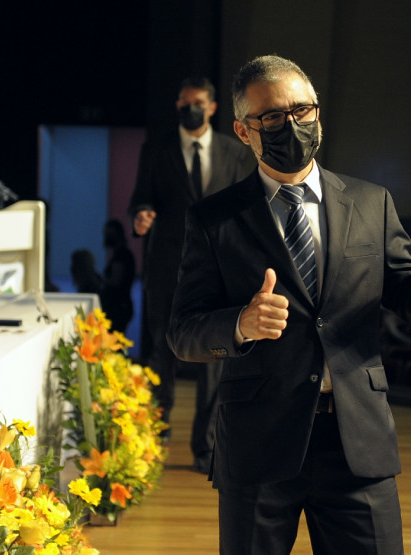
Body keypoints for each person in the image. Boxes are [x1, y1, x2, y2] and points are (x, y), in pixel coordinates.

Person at [166, 55, 411, 554]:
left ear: (318, 113)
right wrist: (241, 325)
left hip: (356, 438)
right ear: (242, 131)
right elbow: (183, 333)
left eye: (302, 111)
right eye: (272, 117)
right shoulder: (214, 220)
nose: (291, 125)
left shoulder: (371, 202)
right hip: (259, 444)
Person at [128, 76, 254, 468]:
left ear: (213, 107)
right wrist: (141, 216)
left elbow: (246, 205)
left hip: (219, 267)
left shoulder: (235, 153)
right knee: (161, 351)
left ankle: (206, 447)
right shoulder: (156, 149)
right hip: (165, 266)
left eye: (197, 102)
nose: (189, 108)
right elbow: (140, 199)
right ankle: (154, 441)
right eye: (183, 102)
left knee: (215, 355)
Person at [100, 218, 135, 334]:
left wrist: (98, 280)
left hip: (118, 308)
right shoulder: (121, 254)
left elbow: (115, 281)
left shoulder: (121, 255)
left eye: (108, 234)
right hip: (120, 306)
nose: (105, 237)